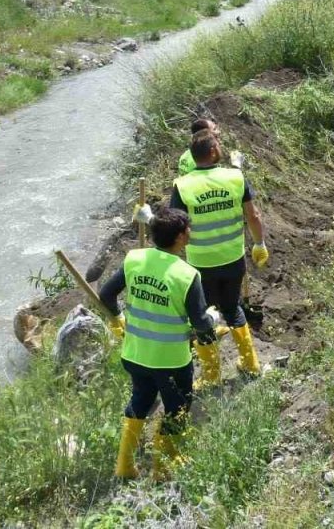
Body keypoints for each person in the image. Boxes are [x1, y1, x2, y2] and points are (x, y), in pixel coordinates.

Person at [99, 207, 217, 480]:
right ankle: (163, 467)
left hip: (135, 353)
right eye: (187, 229)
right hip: (170, 360)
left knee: (141, 400)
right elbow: (200, 323)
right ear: (179, 237)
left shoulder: (135, 259)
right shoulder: (187, 275)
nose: (190, 232)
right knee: (178, 407)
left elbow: (106, 293)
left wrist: (118, 318)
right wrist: (211, 318)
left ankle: (125, 465)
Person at [171, 130, 268, 387]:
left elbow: (174, 225)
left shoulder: (183, 185)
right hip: (233, 258)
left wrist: (152, 222)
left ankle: (212, 376)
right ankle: (250, 364)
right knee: (232, 307)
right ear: (213, 151)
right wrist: (259, 243)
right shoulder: (235, 177)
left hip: (200, 264)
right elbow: (253, 216)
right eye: (219, 144)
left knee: (202, 315)